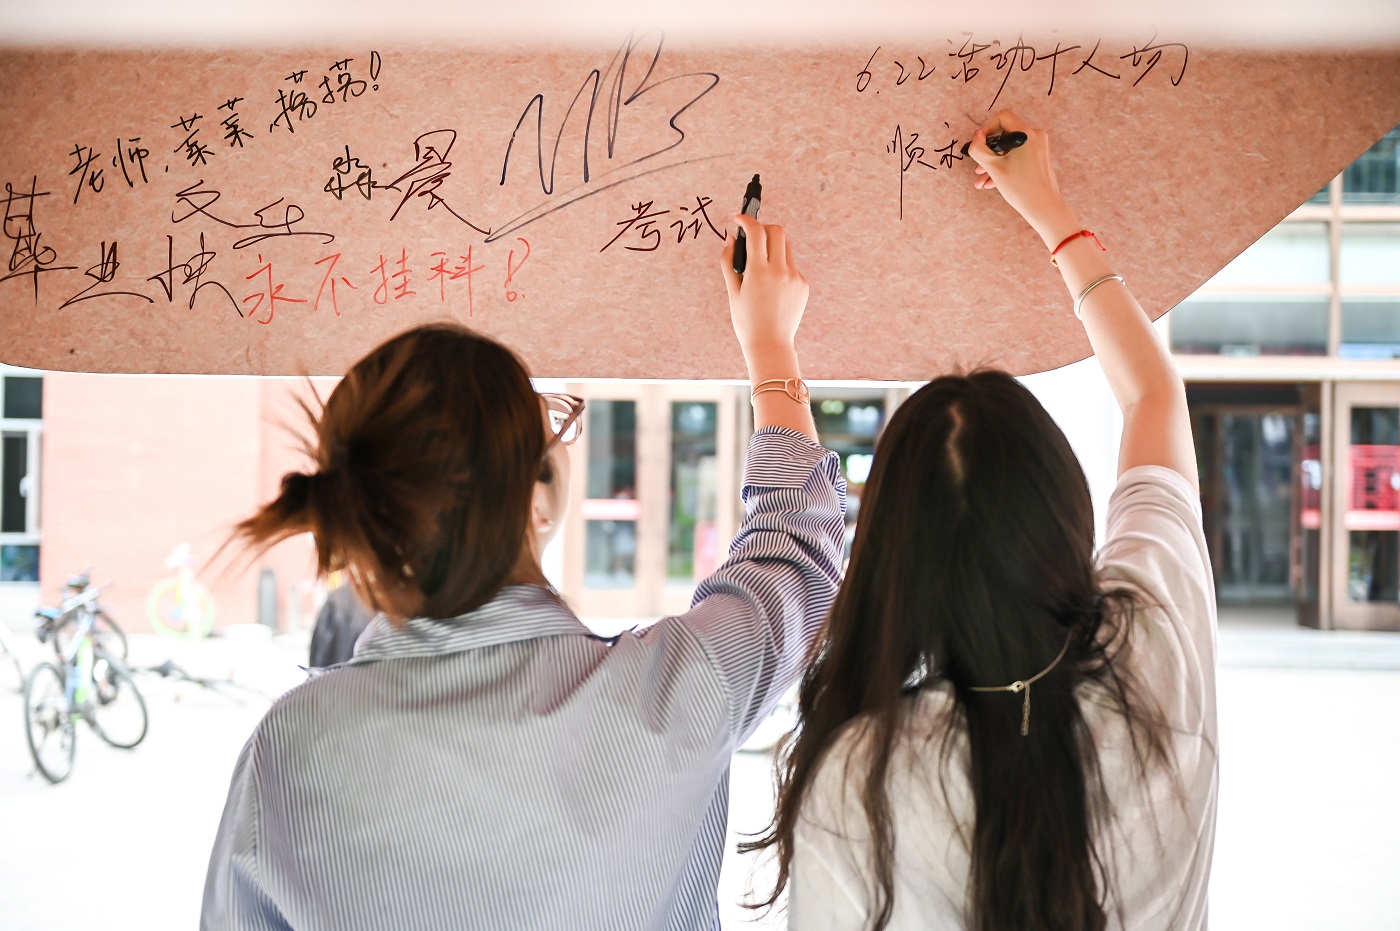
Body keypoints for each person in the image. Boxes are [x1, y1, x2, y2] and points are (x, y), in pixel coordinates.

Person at [201, 216, 846, 930]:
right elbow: (796, 554)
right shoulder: (674, 690)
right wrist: (769, 346)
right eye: (553, 425)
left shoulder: (290, 747)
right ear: (534, 500)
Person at [753, 109, 1217, 931]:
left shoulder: (863, 777)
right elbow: (1153, 396)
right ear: (1062, 511)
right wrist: (1052, 213)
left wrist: (770, 349)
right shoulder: (1154, 649)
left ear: (892, 561)